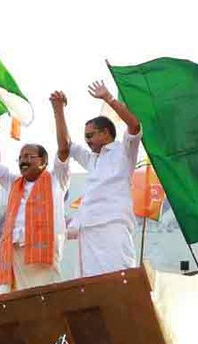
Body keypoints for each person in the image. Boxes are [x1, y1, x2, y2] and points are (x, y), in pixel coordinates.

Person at [55, 81, 143, 277]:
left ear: (105, 133)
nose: (86, 140)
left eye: (90, 135)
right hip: (87, 229)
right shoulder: (91, 159)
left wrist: (108, 98)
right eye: (85, 136)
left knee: (120, 280)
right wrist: (59, 109)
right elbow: (65, 145)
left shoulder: (124, 151)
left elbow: (135, 125)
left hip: (113, 225)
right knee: (91, 286)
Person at [0, 112, 70, 293]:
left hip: (42, 256)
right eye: (22, 157)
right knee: (9, 304)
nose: (24, 160)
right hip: (12, 254)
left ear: (44, 161)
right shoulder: (13, 182)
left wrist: (57, 111)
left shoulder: (56, 179)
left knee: (48, 302)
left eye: (30, 156)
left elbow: (64, 149)